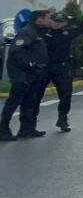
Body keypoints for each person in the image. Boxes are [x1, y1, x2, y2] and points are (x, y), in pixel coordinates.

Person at [1, 9, 51, 140]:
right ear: (39, 19)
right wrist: (30, 64)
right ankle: (3, 130)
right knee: (13, 102)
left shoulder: (37, 32)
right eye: (47, 18)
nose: (49, 20)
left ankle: (26, 129)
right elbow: (16, 52)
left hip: (33, 75)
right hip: (22, 74)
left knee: (29, 102)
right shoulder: (27, 32)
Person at [36, 12, 83, 133]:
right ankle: (30, 124)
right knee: (36, 95)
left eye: (60, 22)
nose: (57, 24)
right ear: (51, 21)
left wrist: (72, 18)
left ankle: (62, 119)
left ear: (65, 23)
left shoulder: (68, 33)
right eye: (55, 21)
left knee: (66, 95)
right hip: (45, 68)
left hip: (62, 68)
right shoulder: (44, 31)